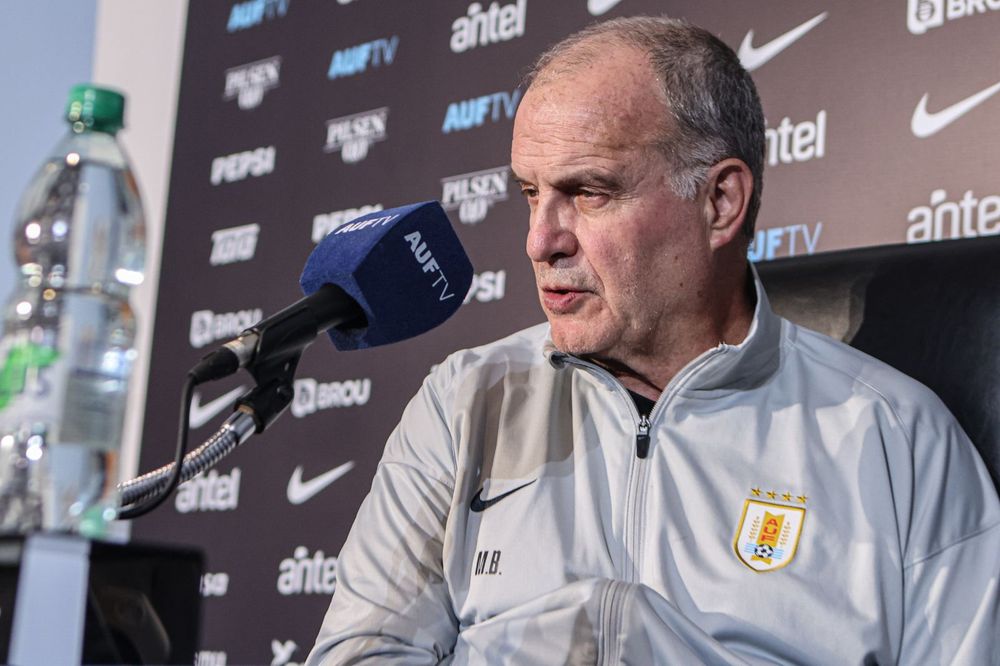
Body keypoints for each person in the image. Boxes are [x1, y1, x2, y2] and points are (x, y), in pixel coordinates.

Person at [307, 17, 999, 664]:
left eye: (590, 192)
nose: (541, 241)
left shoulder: (899, 440)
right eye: (531, 193)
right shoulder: (465, 403)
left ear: (719, 202)